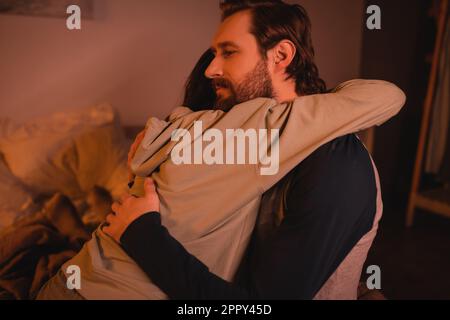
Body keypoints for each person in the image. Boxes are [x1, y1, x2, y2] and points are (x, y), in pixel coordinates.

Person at [37, 0, 405, 300]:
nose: (214, 69)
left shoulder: (332, 163)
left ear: (280, 56)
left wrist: (142, 233)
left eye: (228, 53)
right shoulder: (231, 129)